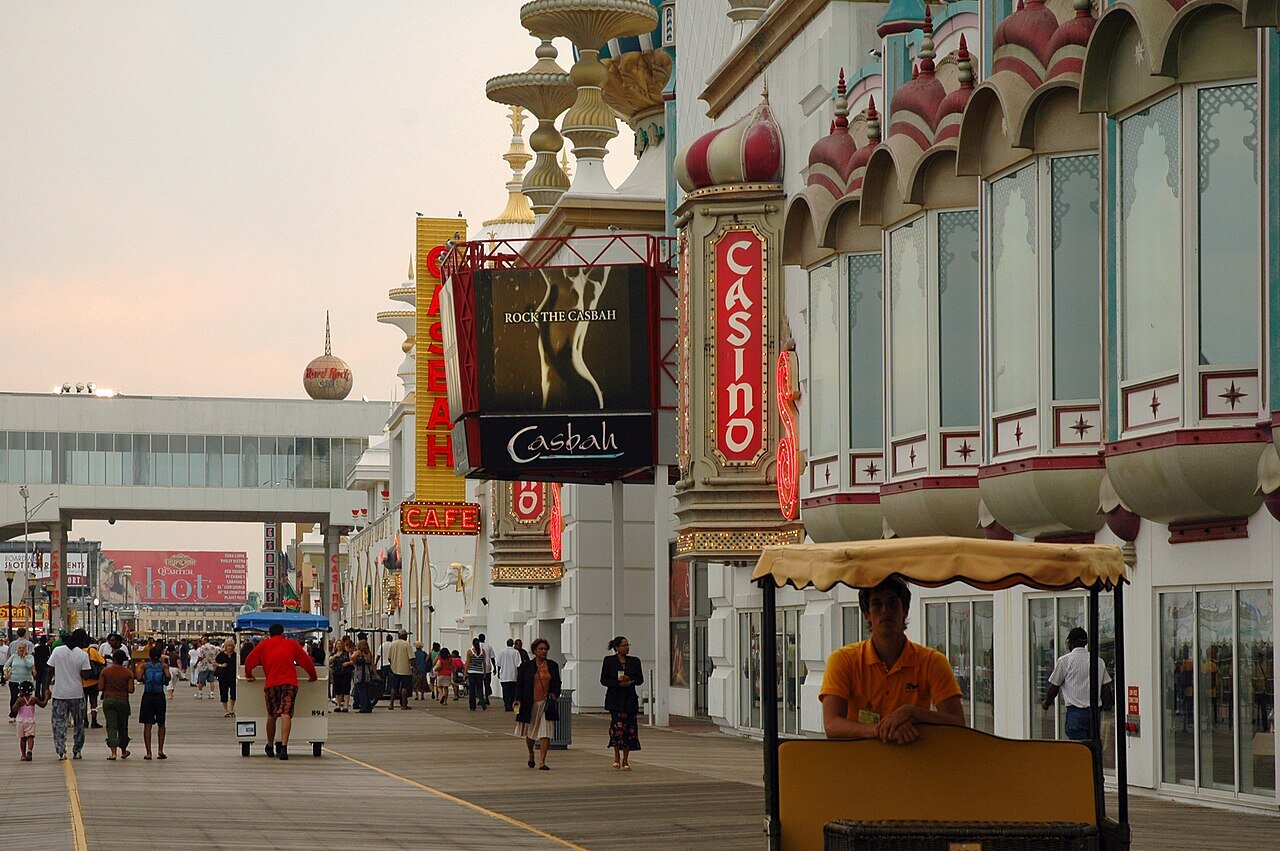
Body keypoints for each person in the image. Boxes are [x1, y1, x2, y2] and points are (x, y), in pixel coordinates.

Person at [820, 578, 965, 743]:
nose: (885, 610)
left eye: (893, 603)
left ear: (905, 611)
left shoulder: (932, 662)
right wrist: (880, 730)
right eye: (877, 603)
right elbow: (831, 725)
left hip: (913, 761)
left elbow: (958, 723)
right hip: (858, 763)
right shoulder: (843, 661)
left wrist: (913, 713)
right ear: (867, 615)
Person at [243, 623, 318, 760]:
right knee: (286, 713)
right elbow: (305, 661)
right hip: (289, 683)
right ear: (283, 633)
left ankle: (270, 745)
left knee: (272, 715)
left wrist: (249, 675)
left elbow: (249, 660)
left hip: (271, 683)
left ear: (270, 634)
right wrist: (313, 676)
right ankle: (284, 748)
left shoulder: (264, 645)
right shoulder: (291, 644)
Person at [1041, 627, 1114, 741]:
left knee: (1080, 750)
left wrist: (1046, 703)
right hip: (1094, 713)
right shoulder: (1098, 661)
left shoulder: (1065, 661)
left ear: (1071, 643)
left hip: (1075, 714)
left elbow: (1054, 687)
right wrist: (1104, 706)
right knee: (1092, 747)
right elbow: (1106, 688)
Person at [514, 637, 560, 770]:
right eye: (541, 649)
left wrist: (554, 694)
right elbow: (520, 685)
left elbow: (557, 683)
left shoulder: (552, 665)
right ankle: (531, 752)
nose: (544, 651)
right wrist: (517, 699)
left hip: (546, 704)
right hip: (530, 703)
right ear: (534, 651)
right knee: (531, 733)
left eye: (545, 649)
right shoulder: (526, 666)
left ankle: (542, 761)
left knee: (546, 732)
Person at [600, 636, 644, 770]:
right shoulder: (609, 661)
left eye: (628, 645)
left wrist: (630, 680)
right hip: (615, 699)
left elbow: (640, 679)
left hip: (629, 699)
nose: (627, 647)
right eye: (624, 645)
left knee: (629, 729)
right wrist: (618, 683)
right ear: (617, 648)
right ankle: (616, 756)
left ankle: (626, 759)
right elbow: (604, 680)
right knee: (618, 728)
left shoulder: (634, 661)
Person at [99, 649, 134, 760]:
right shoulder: (128, 673)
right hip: (123, 700)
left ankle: (113, 753)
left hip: (109, 699)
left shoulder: (105, 671)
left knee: (111, 725)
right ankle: (123, 751)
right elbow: (131, 690)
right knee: (123, 726)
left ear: (113, 659)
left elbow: (100, 687)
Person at [136, 645, 170, 759]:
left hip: (148, 696)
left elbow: (139, 677)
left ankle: (148, 752)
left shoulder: (145, 666)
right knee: (161, 723)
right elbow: (168, 677)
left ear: (149, 656)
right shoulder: (163, 666)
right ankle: (160, 750)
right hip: (159, 696)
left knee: (147, 725)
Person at [11, 681, 46, 761]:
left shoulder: (20, 700)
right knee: (30, 737)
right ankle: (29, 750)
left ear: (22, 691)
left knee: (22, 739)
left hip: (20, 722)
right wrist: (47, 697)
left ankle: (23, 755)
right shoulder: (33, 699)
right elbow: (43, 705)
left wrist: (17, 704)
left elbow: (14, 709)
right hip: (30, 721)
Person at [5, 638, 36, 724]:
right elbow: (6, 665)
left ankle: (25, 714)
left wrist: (24, 658)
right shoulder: (14, 656)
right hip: (14, 680)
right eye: (20, 648)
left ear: (26, 649)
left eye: (23, 648)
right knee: (14, 698)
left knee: (25, 699)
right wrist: (6, 671)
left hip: (26, 681)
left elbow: (30, 666)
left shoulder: (30, 657)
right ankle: (13, 715)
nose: (21, 649)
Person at [385, 629, 413, 711]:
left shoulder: (393, 644)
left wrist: (394, 664)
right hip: (405, 670)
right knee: (404, 687)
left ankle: (391, 704)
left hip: (394, 669)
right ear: (405, 636)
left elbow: (389, 658)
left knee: (394, 687)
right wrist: (412, 665)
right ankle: (404, 705)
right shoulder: (407, 644)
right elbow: (412, 658)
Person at [496, 638, 522, 712]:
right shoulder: (516, 652)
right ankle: (512, 705)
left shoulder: (502, 652)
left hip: (504, 676)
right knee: (513, 692)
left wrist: (498, 672)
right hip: (513, 675)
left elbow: (499, 664)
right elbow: (518, 665)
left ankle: (507, 705)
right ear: (513, 644)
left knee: (505, 691)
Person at [83, 642, 105, 729]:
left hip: (82, 682)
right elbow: (102, 661)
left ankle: (85, 721)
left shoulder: (78, 651)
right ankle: (94, 720)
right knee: (93, 701)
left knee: (83, 702)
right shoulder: (92, 651)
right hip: (93, 681)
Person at [351, 639, 375, 713]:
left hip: (360, 673)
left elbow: (352, 657)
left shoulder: (359, 652)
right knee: (366, 691)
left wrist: (355, 663)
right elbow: (372, 664)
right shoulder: (369, 653)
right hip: (367, 673)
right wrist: (376, 674)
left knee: (361, 691)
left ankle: (363, 708)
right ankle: (368, 707)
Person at [466, 637, 489, 711]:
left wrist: (465, 672)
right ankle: (482, 701)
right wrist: (484, 672)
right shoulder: (482, 651)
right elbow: (484, 663)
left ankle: (472, 706)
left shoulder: (470, 652)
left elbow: (468, 663)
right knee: (480, 688)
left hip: (471, 672)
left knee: (472, 690)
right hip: (480, 672)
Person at [215, 640, 237, 718]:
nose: (230, 647)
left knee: (233, 693)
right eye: (228, 646)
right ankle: (225, 710)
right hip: (223, 676)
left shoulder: (235, 655)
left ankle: (231, 709)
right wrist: (221, 665)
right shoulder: (221, 655)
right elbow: (214, 662)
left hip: (233, 676)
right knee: (223, 692)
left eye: (231, 646)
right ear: (225, 647)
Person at [330, 638, 353, 712]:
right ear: (336, 646)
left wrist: (348, 663)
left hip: (346, 673)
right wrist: (335, 656)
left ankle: (346, 706)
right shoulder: (334, 654)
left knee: (346, 689)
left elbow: (352, 661)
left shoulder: (347, 653)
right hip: (337, 673)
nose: (339, 645)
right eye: (338, 644)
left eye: (340, 644)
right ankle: (338, 705)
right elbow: (329, 661)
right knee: (338, 690)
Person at [478, 633, 496, 700]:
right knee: (487, 684)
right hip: (487, 667)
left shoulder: (475, 647)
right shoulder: (489, 646)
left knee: (479, 685)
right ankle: (487, 697)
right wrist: (494, 667)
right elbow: (492, 658)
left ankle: (481, 698)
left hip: (479, 668)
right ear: (484, 639)